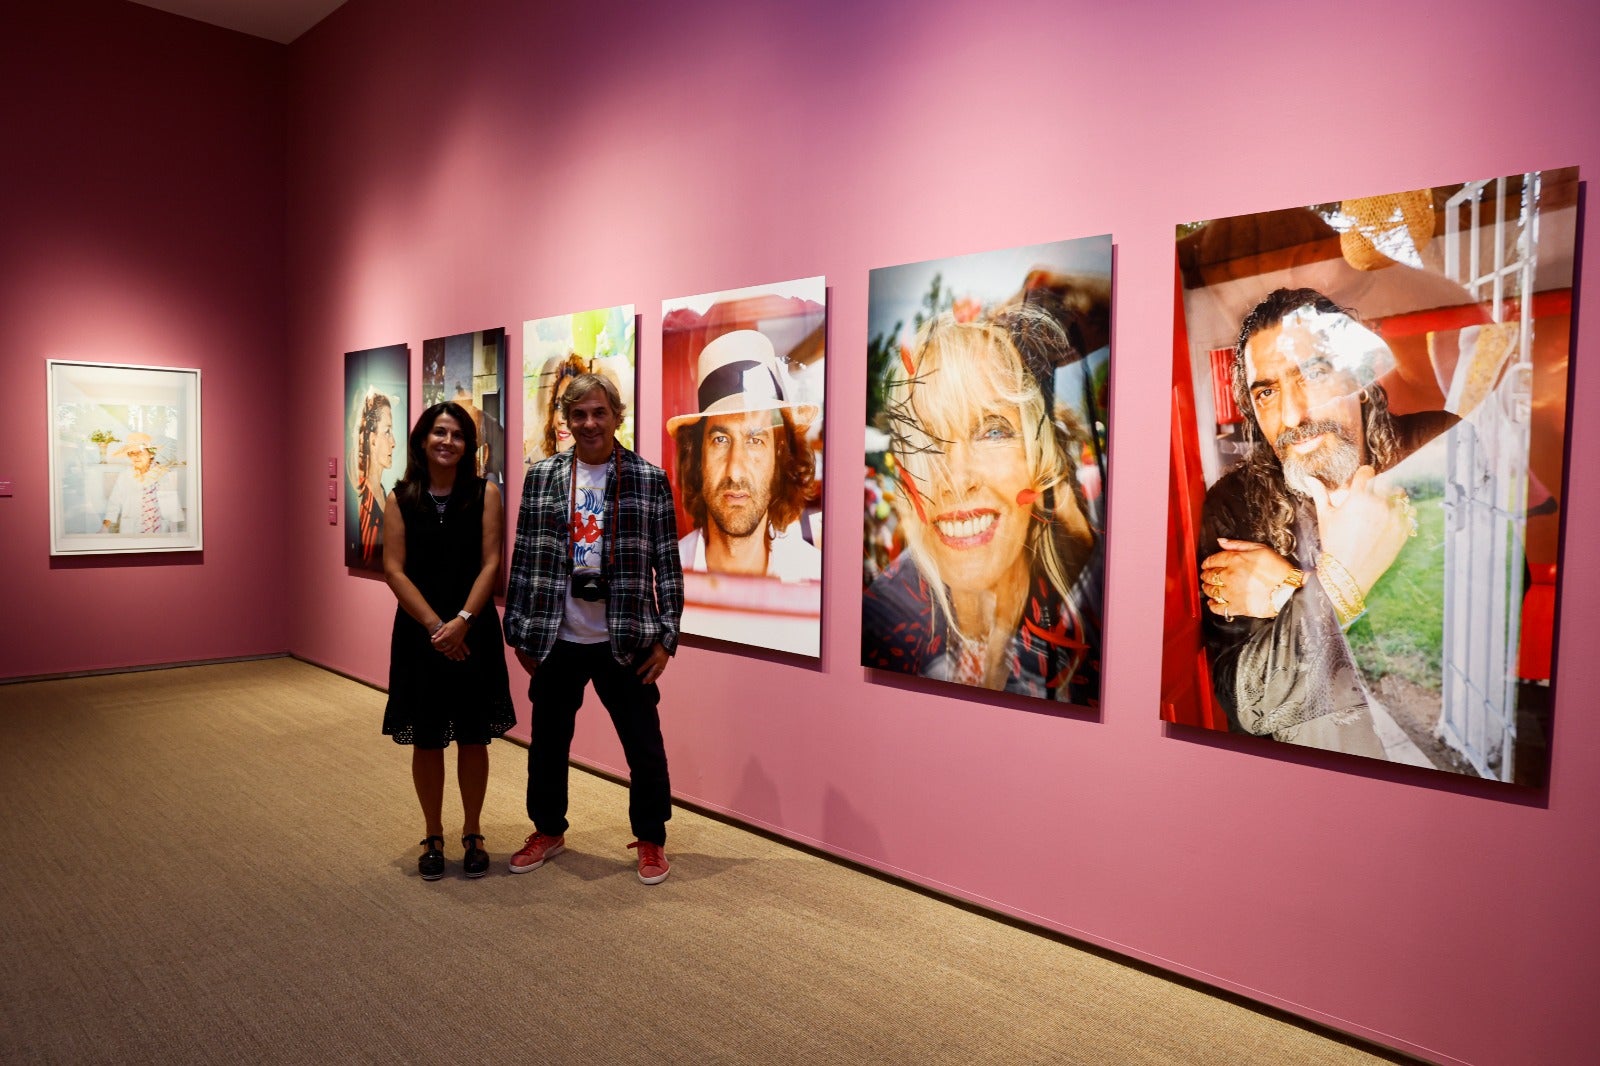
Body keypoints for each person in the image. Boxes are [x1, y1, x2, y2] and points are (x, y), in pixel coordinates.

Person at [1197, 288, 1457, 755]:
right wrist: (1335, 589)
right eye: (1268, 391)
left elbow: (1469, 641)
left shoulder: (1439, 448)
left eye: (1314, 374)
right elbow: (1249, 700)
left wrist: (1294, 589)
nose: (1293, 414)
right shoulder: (1236, 505)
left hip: (1447, 764)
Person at [862, 303, 1102, 704]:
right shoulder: (879, 626)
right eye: (927, 440)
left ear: (1039, 459)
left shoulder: (1098, 602)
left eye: (992, 431)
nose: (956, 481)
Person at [503, 373, 684, 885]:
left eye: (598, 412)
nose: (588, 423)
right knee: (547, 743)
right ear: (566, 419)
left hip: (625, 640)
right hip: (557, 636)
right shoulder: (542, 477)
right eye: (578, 414)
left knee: (644, 747)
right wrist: (518, 630)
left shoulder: (649, 480)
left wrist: (667, 638)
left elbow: (667, 565)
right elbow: (524, 560)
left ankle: (651, 839)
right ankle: (548, 829)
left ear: (616, 416)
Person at [380, 401, 515, 881]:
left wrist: (461, 621)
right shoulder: (400, 498)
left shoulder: (486, 494)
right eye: (439, 432)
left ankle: (473, 831)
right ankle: (433, 833)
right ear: (422, 439)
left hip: (473, 630)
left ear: (468, 444)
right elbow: (393, 570)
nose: (447, 441)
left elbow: (491, 564)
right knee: (429, 738)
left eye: (457, 434)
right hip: (421, 634)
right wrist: (438, 627)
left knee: (474, 736)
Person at [665, 329, 821, 581]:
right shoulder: (659, 582)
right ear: (697, 459)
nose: (735, 469)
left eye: (755, 440)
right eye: (720, 440)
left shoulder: (815, 579)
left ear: (779, 459)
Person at [101, 432, 181, 533]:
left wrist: (174, 534)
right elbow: (114, 502)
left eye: (140, 452)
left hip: (158, 529)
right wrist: (105, 527)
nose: (136, 456)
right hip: (131, 530)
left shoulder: (162, 474)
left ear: (150, 454)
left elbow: (171, 506)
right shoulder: (125, 475)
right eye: (132, 453)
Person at [354, 391, 395, 566]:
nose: (393, 441)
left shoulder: (383, 492)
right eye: (387, 432)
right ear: (372, 440)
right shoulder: (364, 501)